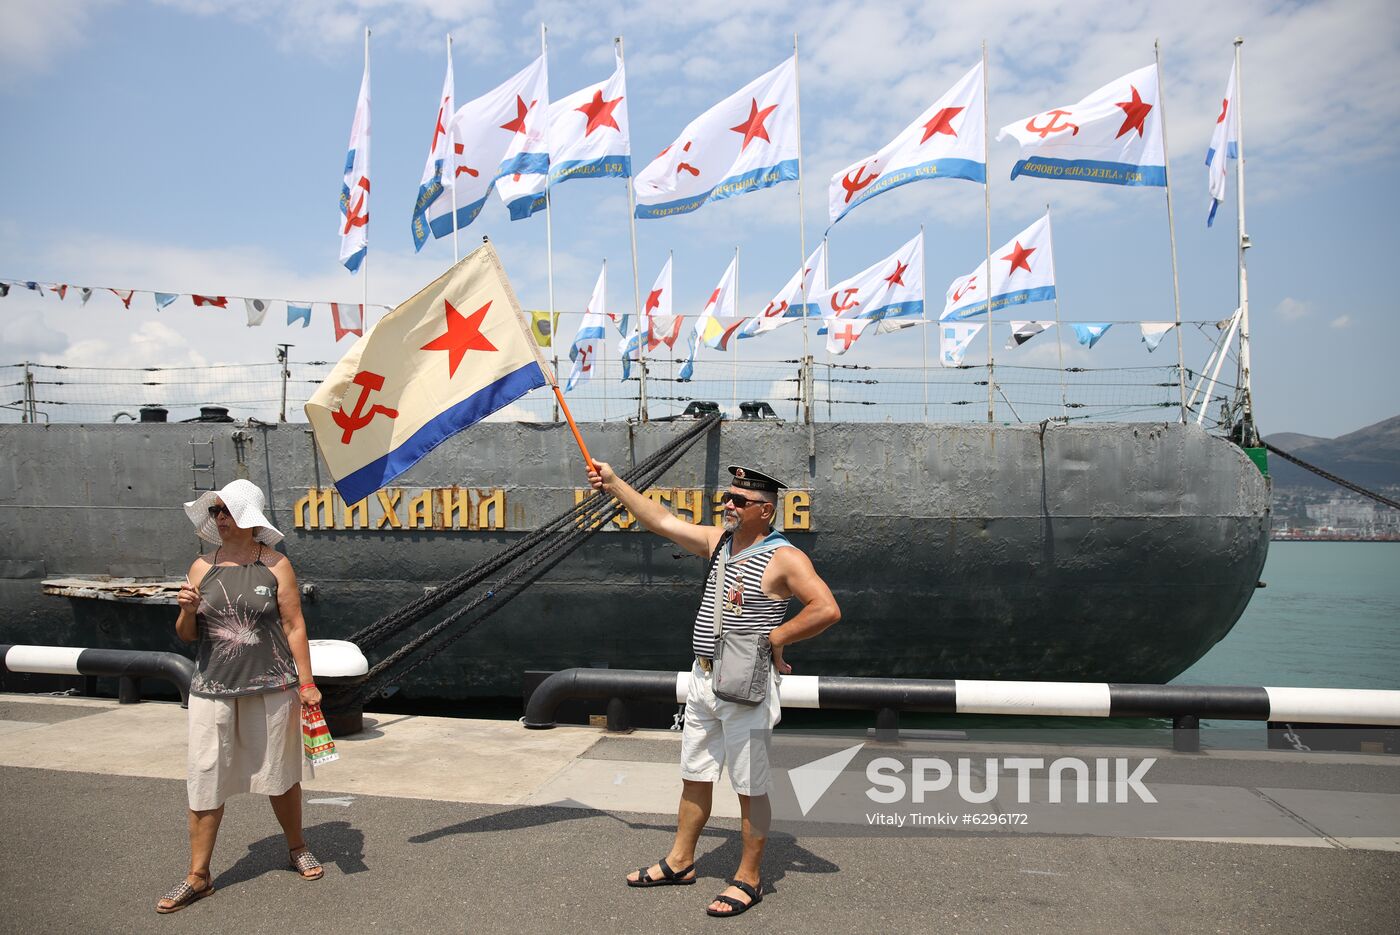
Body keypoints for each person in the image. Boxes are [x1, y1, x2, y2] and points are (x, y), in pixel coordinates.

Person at [587, 461, 840, 917]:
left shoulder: (785, 557)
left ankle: (749, 878)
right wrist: (614, 484)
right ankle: (681, 861)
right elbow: (661, 521)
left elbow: (826, 609)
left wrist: (777, 638)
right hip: (704, 679)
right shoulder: (720, 542)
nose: (728, 504)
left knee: (750, 786)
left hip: (746, 688)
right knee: (695, 774)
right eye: (727, 497)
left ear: (765, 511)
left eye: (739, 501)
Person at [156, 479, 324, 913]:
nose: (219, 518)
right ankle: (198, 875)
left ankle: (297, 847)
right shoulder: (200, 567)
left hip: (272, 687)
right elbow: (187, 636)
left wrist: (307, 683)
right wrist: (186, 611)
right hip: (213, 689)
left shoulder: (276, 565)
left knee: (281, 774)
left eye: (225, 510)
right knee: (205, 777)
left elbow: (294, 626)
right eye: (214, 512)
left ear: (248, 517)